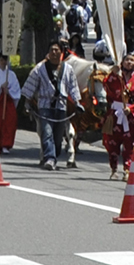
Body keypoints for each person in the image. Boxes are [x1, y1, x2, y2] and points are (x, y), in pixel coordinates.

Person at [21, 43, 79, 171]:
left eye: (56, 50)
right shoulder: (40, 68)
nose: (54, 52)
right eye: (51, 50)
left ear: (61, 52)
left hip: (61, 106)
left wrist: (77, 103)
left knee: (58, 137)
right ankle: (50, 158)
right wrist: (27, 103)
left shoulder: (68, 69)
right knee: (46, 133)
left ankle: (54, 154)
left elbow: (73, 87)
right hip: (44, 105)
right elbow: (31, 85)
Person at [102, 53, 134, 180]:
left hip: (130, 115)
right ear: (122, 62)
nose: (129, 62)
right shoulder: (115, 77)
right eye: (127, 60)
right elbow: (107, 88)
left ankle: (127, 169)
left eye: (132, 60)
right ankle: (113, 168)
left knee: (130, 144)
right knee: (112, 142)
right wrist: (112, 74)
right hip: (116, 113)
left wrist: (132, 108)